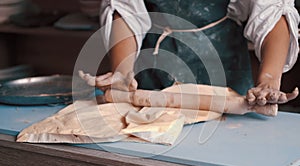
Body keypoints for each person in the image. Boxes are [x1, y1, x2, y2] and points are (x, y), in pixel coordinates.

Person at [82, 0, 299, 106]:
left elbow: (272, 12)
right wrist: (122, 70)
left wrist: (269, 79)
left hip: (224, 72)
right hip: (153, 76)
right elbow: (127, 10)